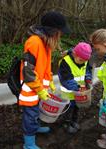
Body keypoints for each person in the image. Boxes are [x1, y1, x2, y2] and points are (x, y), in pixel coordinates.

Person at [19, 11, 70, 149]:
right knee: (30, 114)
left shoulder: (45, 42)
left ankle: (35, 127)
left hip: (38, 88)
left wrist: (50, 80)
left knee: (36, 111)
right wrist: (40, 89)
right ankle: (28, 143)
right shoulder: (34, 43)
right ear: (52, 31)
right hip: (31, 88)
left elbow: (44, 66)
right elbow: (28, 72)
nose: (61, 35)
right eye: (60, 32)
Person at [58, 42, 92, 133]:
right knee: (69, 108)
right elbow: (66, 79)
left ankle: (74, 121)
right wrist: (77, 88)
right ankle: (66, 123)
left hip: (79, 91)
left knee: (77, 107)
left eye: (85, 61)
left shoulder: (84, 60)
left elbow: (88, 70)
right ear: (74, 54)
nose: (83, 62)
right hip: (69, 93)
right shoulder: (65, 62)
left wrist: (88, 79)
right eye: (81, 60)